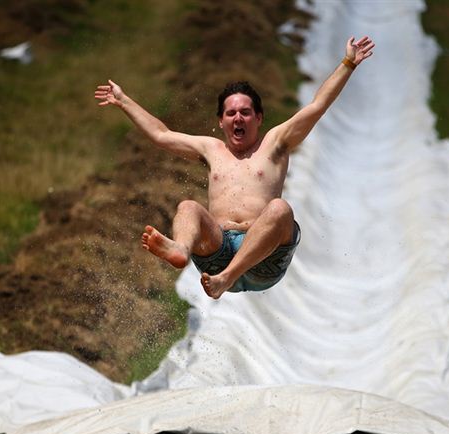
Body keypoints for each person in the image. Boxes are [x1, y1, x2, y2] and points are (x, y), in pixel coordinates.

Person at [95, 36, 375, 299]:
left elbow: (317, 106)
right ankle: (180, 249)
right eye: (231, 113)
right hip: (216, 254)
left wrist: (347, 63)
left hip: (264, 259)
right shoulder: (210, 149)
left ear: (259, 118)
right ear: (221, 121)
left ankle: (228, 277)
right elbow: (162, 135)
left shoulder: (276, 142)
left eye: (245, 112)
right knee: (188, 207)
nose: (238, 117)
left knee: (280, 209)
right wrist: (123, 101)